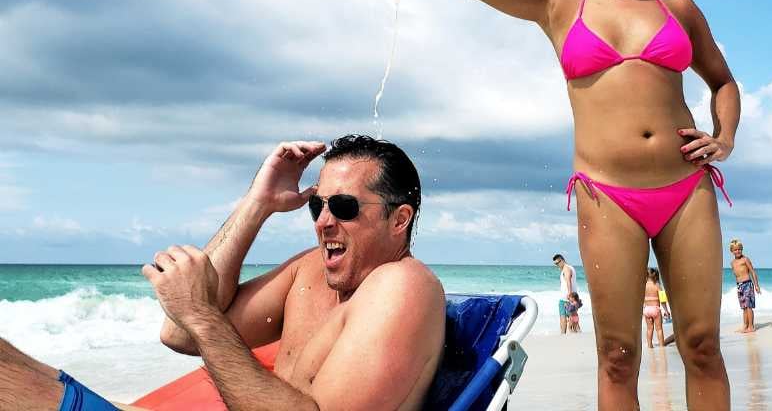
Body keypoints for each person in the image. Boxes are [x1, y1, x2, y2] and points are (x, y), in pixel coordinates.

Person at [378, 0, 739, 408]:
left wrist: (725, 135)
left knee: (702, 346)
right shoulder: (559, 2)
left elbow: (723, 81)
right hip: (606, 194)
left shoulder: (678, 8)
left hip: (685, 189)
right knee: (617, 354)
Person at [0, 136, 446, 411]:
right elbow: (180, 335)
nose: (323, 221)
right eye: (317, 204)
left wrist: (199, 312)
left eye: (344, 206)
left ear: (399, 218)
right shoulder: (309, 272)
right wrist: (259, 204)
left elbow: (196, 322)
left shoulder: (400, 286)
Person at [729, 238, 761, 333]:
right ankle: (745, 325)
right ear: (732, 251)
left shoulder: (745, 259)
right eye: (735, 249)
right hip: (740, 286)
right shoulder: (732, 263)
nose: (738, 251)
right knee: (743, 307)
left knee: (748, 306)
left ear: (742, 249)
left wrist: (756, 285)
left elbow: (753, 272)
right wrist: (738, 286)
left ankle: (751, 326)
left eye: (739, 249)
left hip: (747, 284)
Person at [552, 253, 579, 334]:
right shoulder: (570, 268)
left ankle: (564, 336)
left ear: (562, 260)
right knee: (572, 318)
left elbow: (568, 281)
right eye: (555, 264)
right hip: (570, 298)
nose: (557, 265)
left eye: (558, 262)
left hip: (567, 299)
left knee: (567, 318)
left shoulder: (566, 269)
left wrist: (570, 295)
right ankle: (576, 335)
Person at [643, 268, 666, 348]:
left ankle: (649, 345)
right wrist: (666, 311)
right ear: (655, 275)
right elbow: (663, 300)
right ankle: (661, 346)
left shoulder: (643, 286)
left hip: (646, 310)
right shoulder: (657, 285)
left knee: (649, 329)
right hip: (655, 309)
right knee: (659, 329)